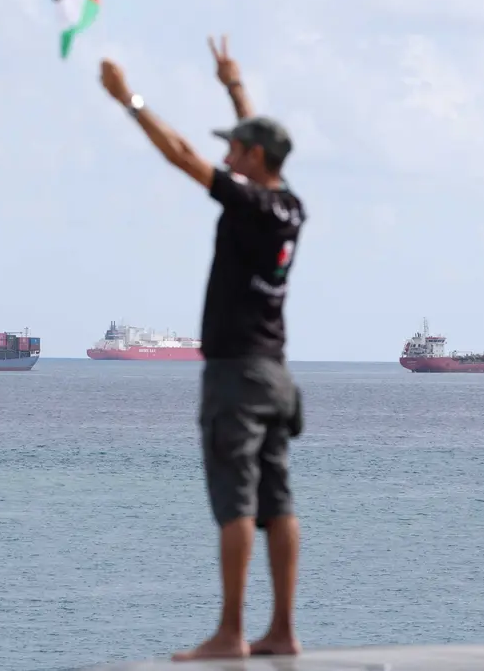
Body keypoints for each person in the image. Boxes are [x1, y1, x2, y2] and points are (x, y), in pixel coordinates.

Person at [98, 35, 305, 660]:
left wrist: (129, 101)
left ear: (254, 156)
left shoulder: (245, 201)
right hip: (276, 373)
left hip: (236, 376)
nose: (227, 152)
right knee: (279, 498)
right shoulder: (290, 204)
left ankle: (232, 633)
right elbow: (257, 143)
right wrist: (233, 84)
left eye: (236, 147)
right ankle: (283, 631)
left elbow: (181, 154)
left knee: (237, 503)